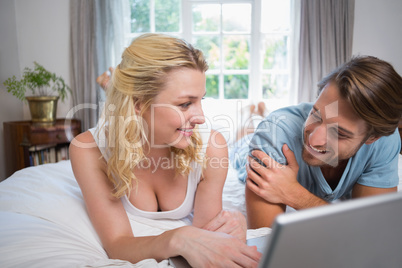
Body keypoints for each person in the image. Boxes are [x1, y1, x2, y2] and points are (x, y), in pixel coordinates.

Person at [70, 33, 261, 267]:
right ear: (138, 103)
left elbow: (208, 240)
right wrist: (178, 237)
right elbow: (118, 244)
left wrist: (232, 224)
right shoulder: (88, 151)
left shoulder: (212, 147)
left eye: (201, 100)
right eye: (185, 104)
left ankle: (253, 117)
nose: (201, 117)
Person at [232, 56, 402, 228]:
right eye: (315, 114)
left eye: (339, 133)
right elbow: (265, 241)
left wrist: (295, 195)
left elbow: (371, 229)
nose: (314, 140)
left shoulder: (386, 142)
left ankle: (263, 111)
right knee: (244, 138)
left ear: (373, 138)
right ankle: (247, 116)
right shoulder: (273, 133)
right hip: (256, 141)